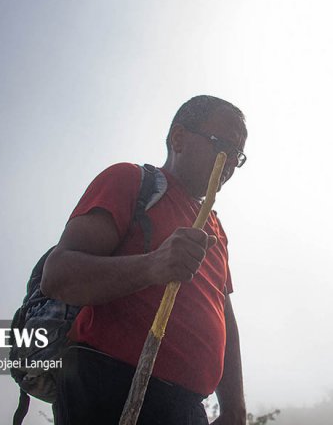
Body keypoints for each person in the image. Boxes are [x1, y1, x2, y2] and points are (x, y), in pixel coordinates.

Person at [41, 95, 248, 425]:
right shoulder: (131, 181)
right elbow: (58, 275)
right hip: (111, 383)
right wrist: (153, 265)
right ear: (178, 138)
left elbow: (223, 313)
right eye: (221, 145)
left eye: (237, 156)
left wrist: (235, 407)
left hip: (188, 404)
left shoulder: (216, 229)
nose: (229, 163)